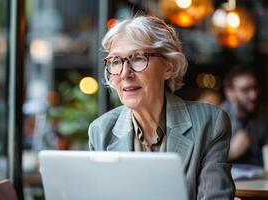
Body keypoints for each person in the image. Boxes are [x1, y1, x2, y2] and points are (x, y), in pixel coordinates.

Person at [88, 15, 234, 199]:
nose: (125, 73)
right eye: (116, 61)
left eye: (138, 58)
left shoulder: (210, 124)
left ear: (168, 67)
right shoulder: (101, 131)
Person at [221, 66, 268, 166]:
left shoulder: (263, 116)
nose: (254, 95)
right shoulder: (216, 119)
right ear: (229, 92)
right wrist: (230, 153)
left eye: (255, 87)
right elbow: (201, 162)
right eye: (245, 90)